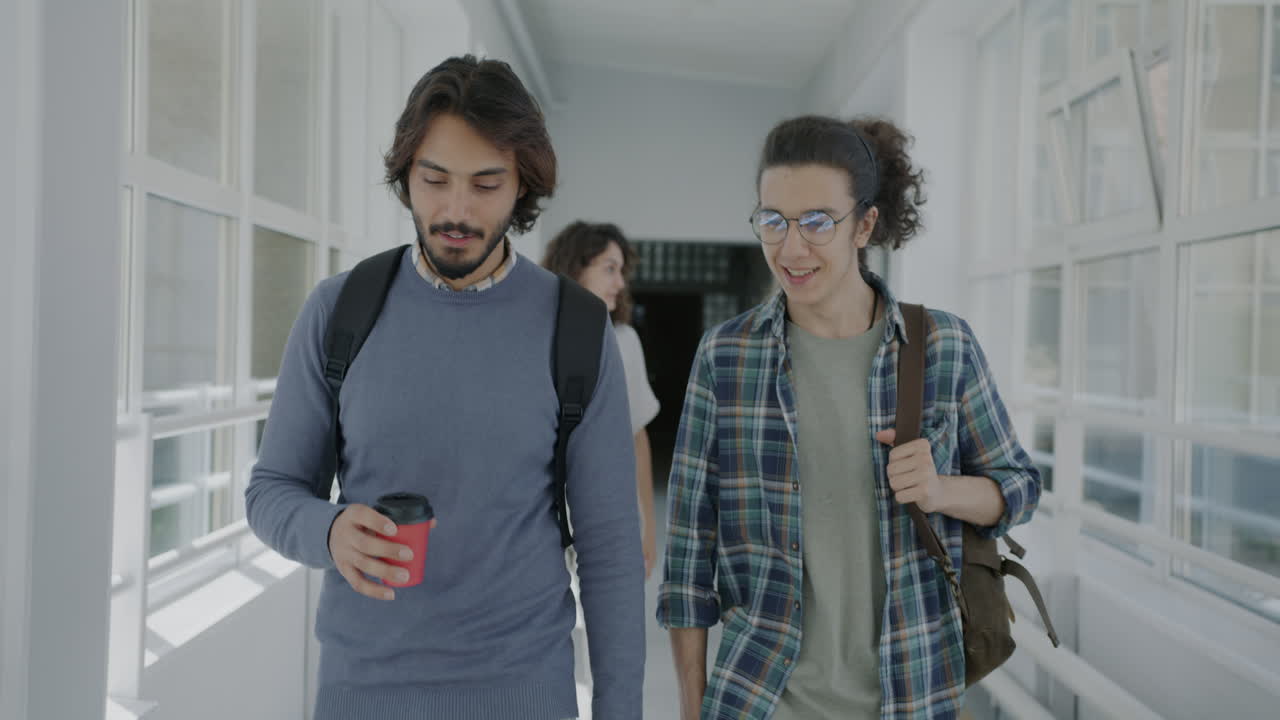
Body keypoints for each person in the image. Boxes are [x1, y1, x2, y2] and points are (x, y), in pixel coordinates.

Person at [245, 55, 644, 720]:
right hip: (363, 692)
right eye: (434, 180)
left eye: (486, 185)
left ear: (523, 187)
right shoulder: (341, 311)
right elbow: (271, 491)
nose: (455, 210)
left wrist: (620, 710)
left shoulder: (575, 327)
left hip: (525, 691)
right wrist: (330, 529)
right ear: (405, 177)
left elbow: (608, 544)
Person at [657, 114, 1042, 720]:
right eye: (772, 220)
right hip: (761, 699)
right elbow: (687, 558)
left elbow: (1018, 487)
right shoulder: (725, 356)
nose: (791, 248)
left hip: (913, 694)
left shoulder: (942, 345)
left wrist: (941, 490)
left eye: (816, 222)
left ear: (864, 224)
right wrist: (690, 710)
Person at [542, 221, 661, 577]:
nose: (620, 283)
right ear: (574, 268)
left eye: (621, 271)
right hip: (543, 520)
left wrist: (648, 528)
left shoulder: (625, 341)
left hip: (611, 518)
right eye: (609, 269)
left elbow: (636, 437)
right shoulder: (533, 336)